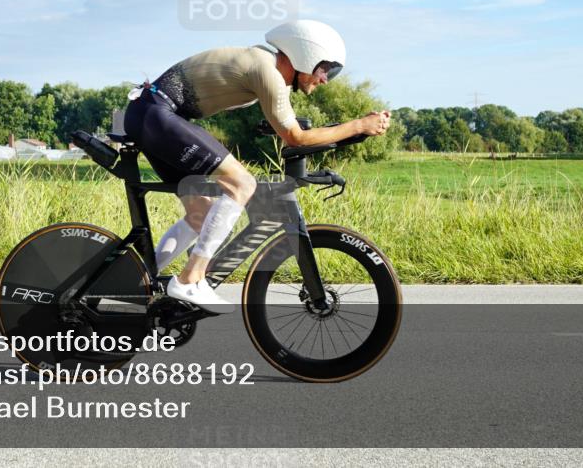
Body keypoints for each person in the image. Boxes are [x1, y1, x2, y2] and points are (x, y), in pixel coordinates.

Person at [123, 20, 392, 313]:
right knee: (243, 184)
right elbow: (295, 137)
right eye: (325, 68)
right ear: (305, 54)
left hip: (151, 114)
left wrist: (356, 130)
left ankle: (136, 281)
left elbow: (291, 132)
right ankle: (190, 279)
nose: (325, 79)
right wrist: (357, 125)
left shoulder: (265, 67)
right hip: (157, 115)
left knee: (201, 211)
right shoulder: (267, 71)